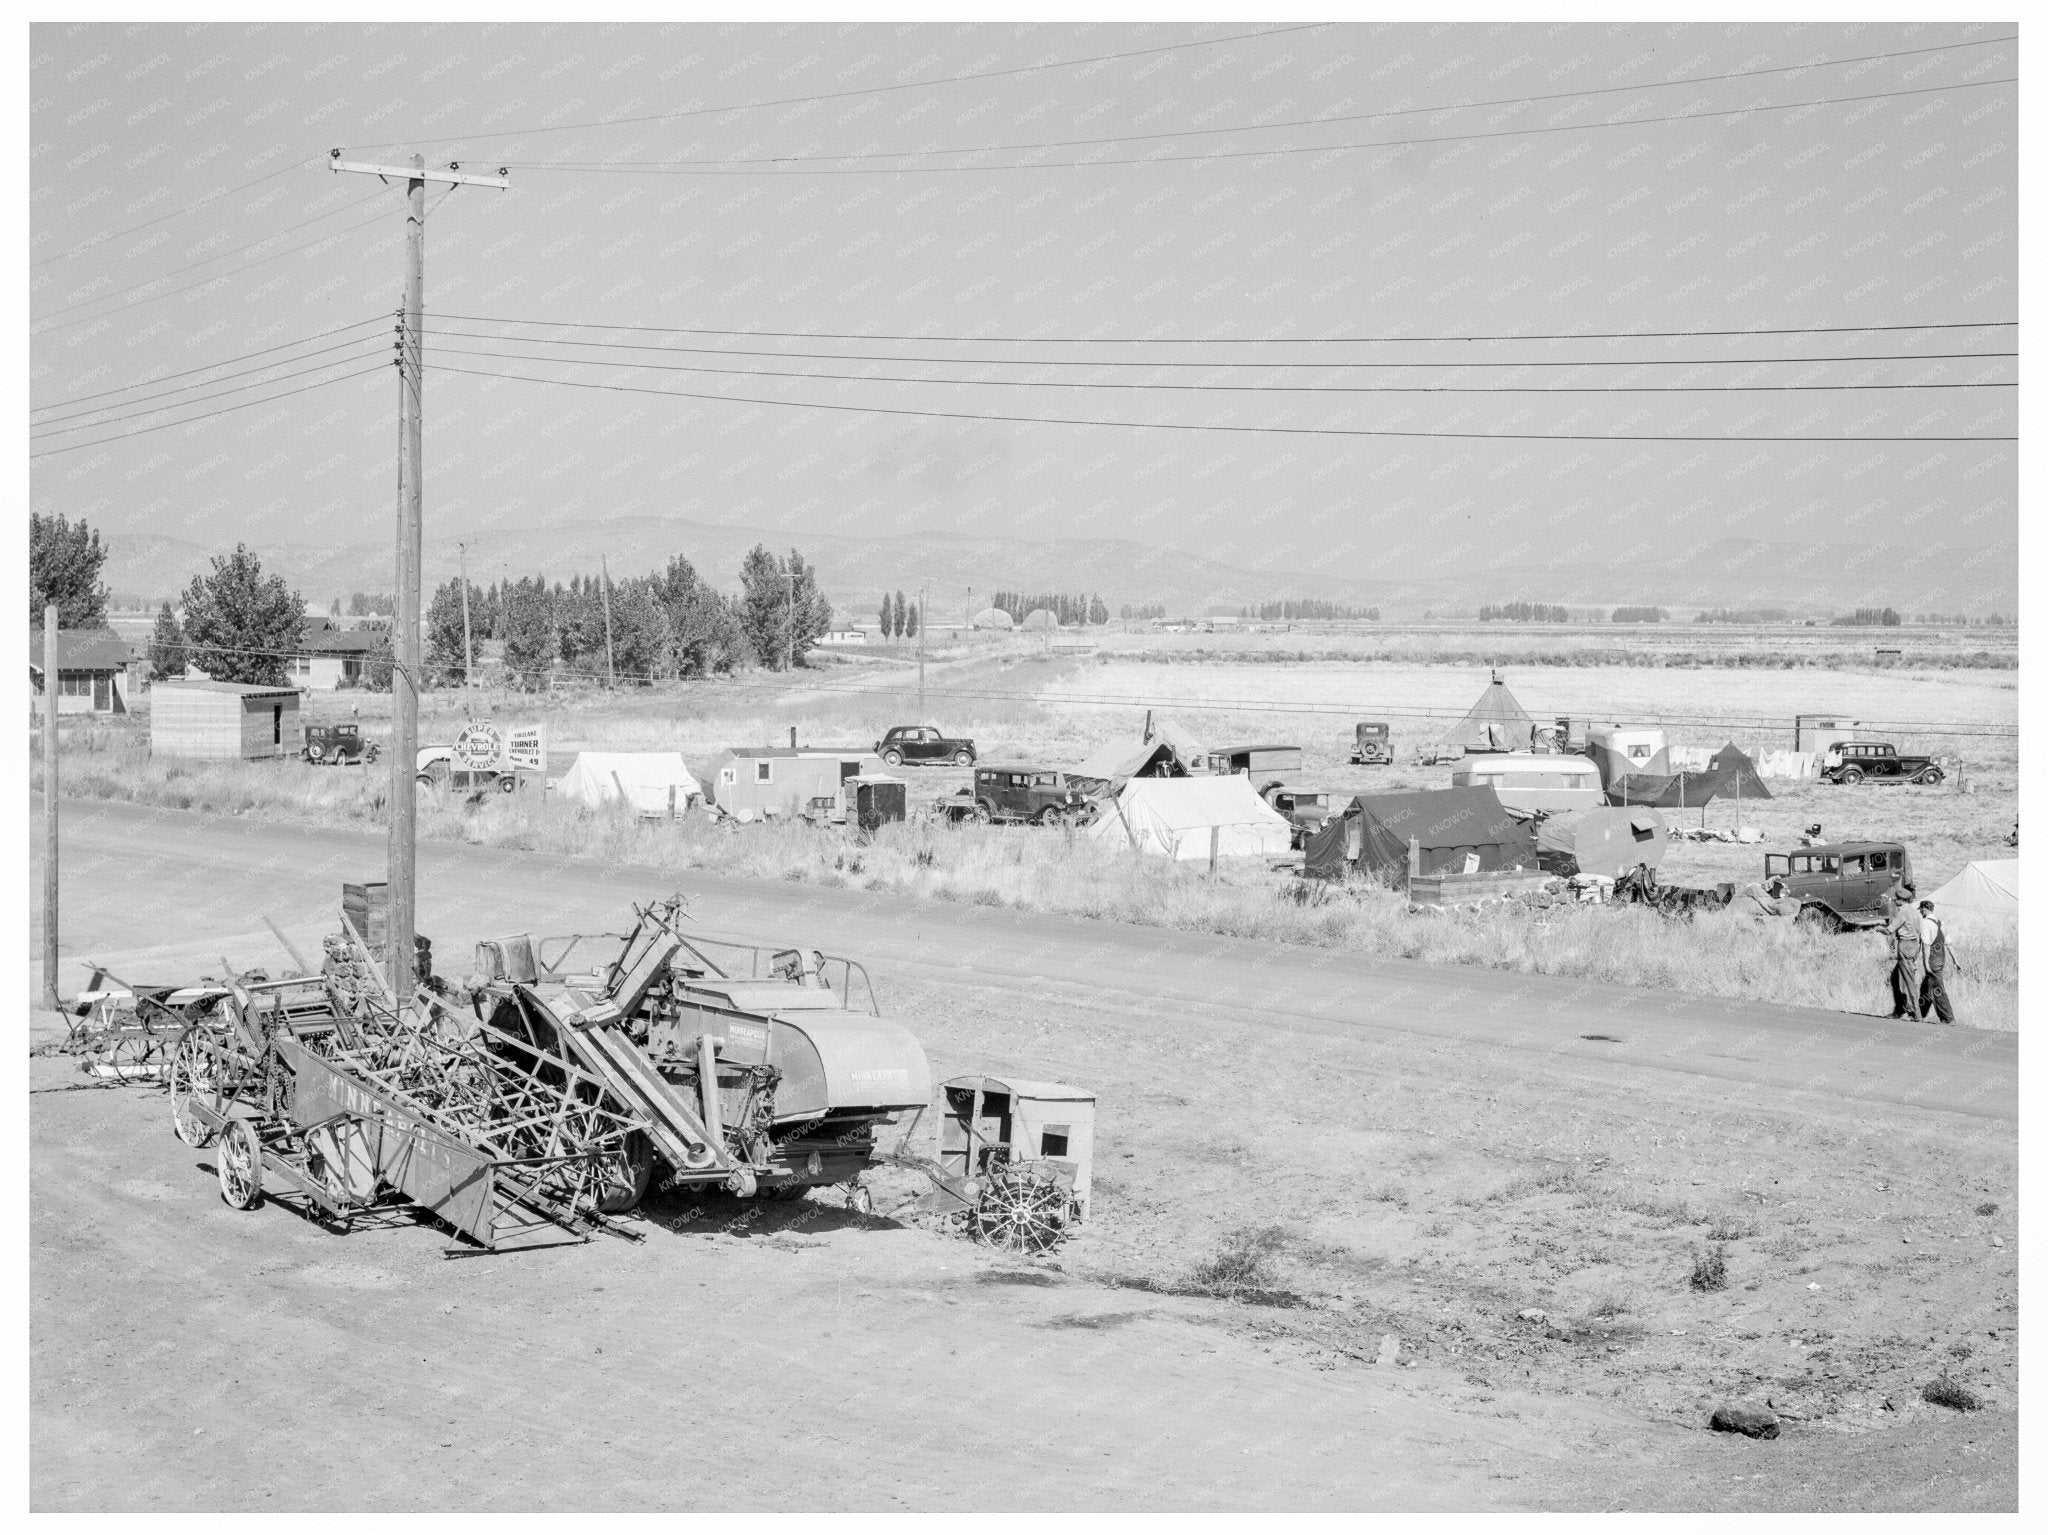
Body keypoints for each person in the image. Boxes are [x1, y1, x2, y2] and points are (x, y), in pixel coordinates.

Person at [1887, 886, 1925, 1021]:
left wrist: (1879, 929)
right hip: (1914, 946)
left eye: (1896, 899)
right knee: (1900, 979)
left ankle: (1915, 1013)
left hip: (1905, 945)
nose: (1895, 901)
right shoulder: (1915, 912)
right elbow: (1919, 932)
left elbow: (1890, 929)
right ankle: (1902, 1011)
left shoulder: (1902, 911)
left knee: (1908, 981)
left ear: (1900, 900)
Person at [1917, 900, 1956, 1025]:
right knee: (1925, 988)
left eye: (1921, 910)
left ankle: (1948, 1018)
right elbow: (1949, 944)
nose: (1921, 912)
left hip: (1932, 959)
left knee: (1937, 989)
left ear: (1924, 909)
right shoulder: (1941, 923)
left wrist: (1926, 963)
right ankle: (1918, 1014)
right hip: (1941, 958)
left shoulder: (1925, 923)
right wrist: (1956, 961)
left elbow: (1926, 945)